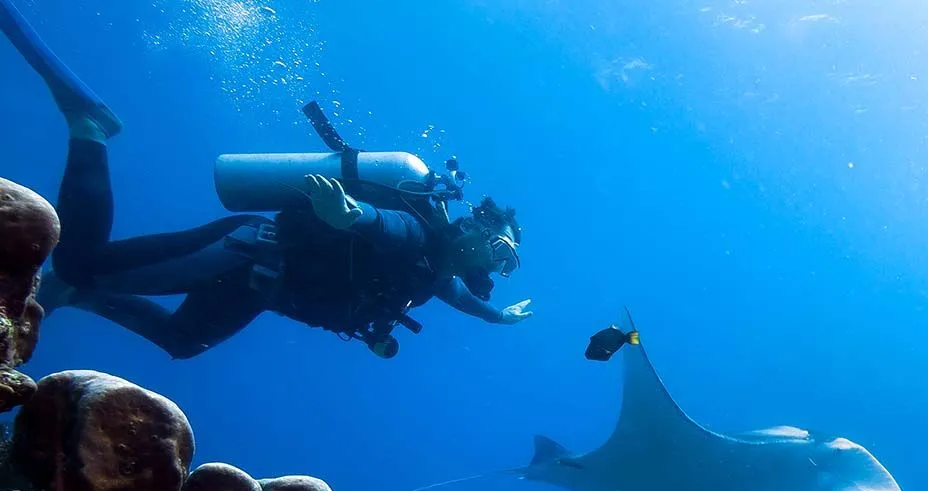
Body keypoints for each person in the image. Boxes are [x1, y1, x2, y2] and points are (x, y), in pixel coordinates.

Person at [2, 0, 533, 360]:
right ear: (478, 231)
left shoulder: (435, 274)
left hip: (259, 288)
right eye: (501, 251)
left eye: (507, 265)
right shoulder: (422, 236)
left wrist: (498, 317)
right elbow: (388, 226)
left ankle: (76, 295)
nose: (497, 266)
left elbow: (463, 297)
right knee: (77, 261)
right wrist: (353, 215)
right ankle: (90, 129)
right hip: (243, 253)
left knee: (183, 342)